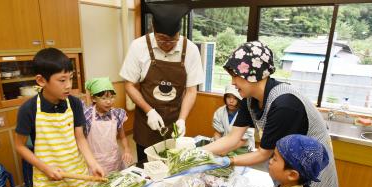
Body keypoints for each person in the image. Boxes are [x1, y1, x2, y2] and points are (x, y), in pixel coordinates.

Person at [204, 41, 340, 187]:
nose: (233, 83)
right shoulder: (250, 99)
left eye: (235, 76)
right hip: (288, 163)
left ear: (253, 74)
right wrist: (200, 152)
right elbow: (233, 138)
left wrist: (227, 161)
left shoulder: (284, 104)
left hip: (312, 167)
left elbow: (264, 153)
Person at [14, 48, 104, 187]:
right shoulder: (29, 109)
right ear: (41, 81)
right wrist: (45, 168)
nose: (68, 85)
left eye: (70, 78)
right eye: (62, 80)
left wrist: (93, 163)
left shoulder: (74, 103)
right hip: (48, 177)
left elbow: (80, 138)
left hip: (76, 172)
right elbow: (19, 146)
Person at [120, 2, 204, 161]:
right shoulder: (138, 47)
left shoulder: (191, 50)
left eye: (173, 40)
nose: (168, 45)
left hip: (174, 120)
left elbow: (191, 90)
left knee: (174, 166)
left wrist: (182, 119)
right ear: (153, 28)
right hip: (146, 123)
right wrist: (149, 111)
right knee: (147, 167)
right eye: (162, 39)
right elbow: (129, 85)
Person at [84, 77, 133, 173]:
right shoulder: (87, 115)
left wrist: (127, 150)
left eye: (111, 97)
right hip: (95, 162)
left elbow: (123, 137)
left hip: (114, 159)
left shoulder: (117, 114)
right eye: (104, 98)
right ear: (93, 98)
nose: (109, 101)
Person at [212, 84, 255, 152]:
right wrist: (219, 146)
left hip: (243, 148)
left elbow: (244, 140)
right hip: (225, 146)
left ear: (240, 99)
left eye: (235, 98)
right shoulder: (220, 112)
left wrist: (227, 150)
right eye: (228, 97)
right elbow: (218, 133)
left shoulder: (246, 113)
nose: (231, 101)